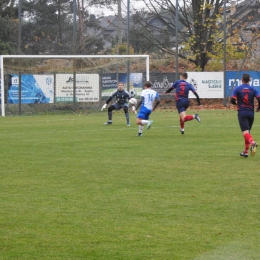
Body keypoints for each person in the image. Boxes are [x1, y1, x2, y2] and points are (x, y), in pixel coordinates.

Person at [231, 73, 260, 157]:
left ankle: (253, 143)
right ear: (249, 80)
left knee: (245, 133)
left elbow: (233, 101)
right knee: (247, 132)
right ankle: (246, 152)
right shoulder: (253, 89)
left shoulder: (237, 89)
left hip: (242, 112)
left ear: (242, 80)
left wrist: (237, 103)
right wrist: (259, 107)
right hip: (251, 113)